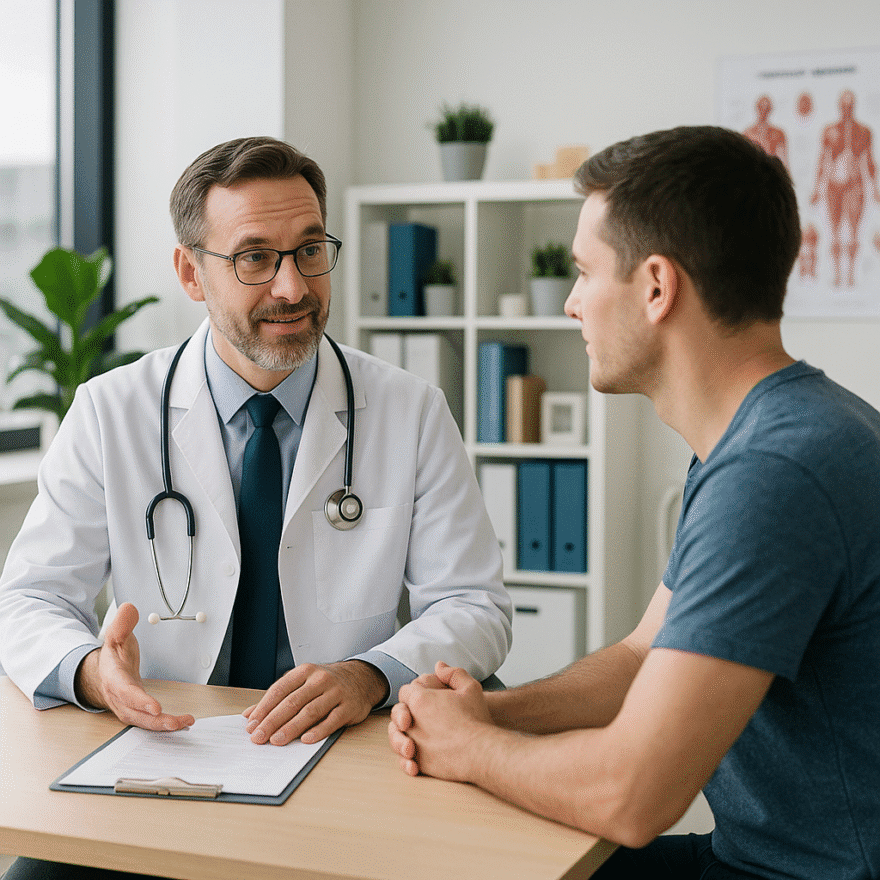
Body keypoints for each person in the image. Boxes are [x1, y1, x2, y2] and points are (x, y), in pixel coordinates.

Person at [0, 135, 512, 878]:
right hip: (159, 758)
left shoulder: (408, 410)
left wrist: (369, 674)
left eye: (310, 250)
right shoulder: (111, 410)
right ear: (190, 272)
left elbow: (474, 605)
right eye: (254, 257)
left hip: (341, 757)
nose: (292, 287)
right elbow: (29, 599)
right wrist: (90, 672)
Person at [389, 126, 880, 880]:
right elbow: (644, 653)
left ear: (657, 286)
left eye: (585, 273)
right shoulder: (761, 438)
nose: (572, 304)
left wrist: (471, 748)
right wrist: (490, 711)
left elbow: (632, 795)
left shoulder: (776, 472)